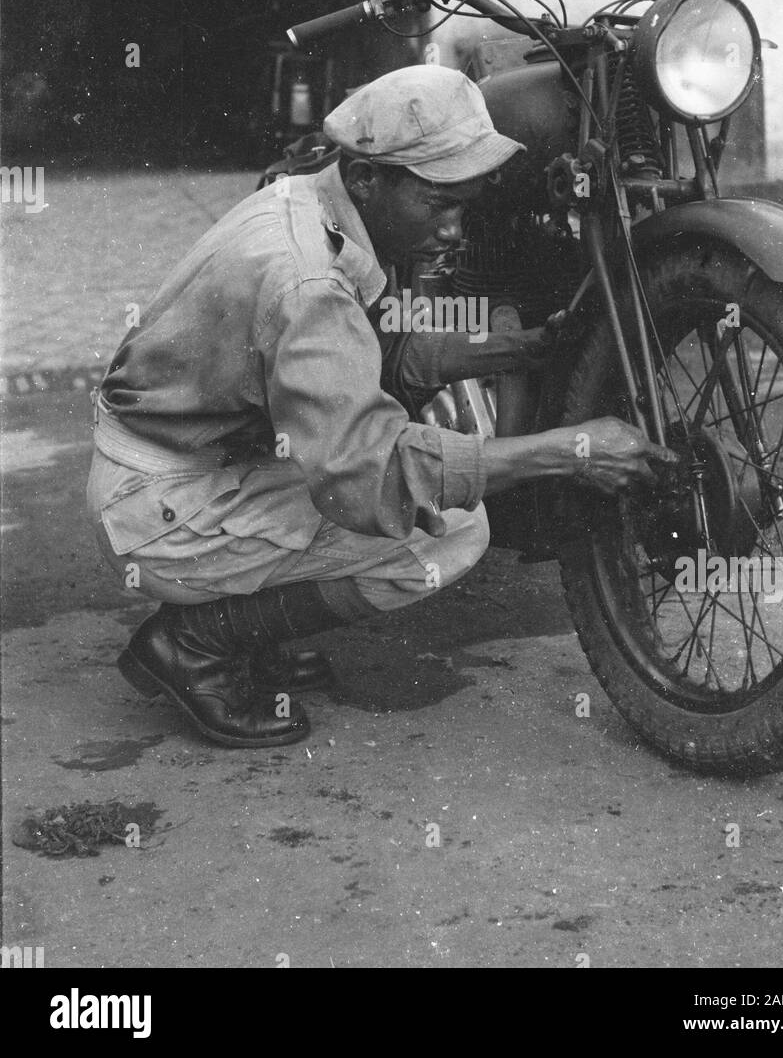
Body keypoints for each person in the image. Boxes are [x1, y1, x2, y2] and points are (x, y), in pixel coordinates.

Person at [87, 64, 672, 749]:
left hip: (205, 458)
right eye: (440, 204)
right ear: (369, 178)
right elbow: (371, 473)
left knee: (413, 482)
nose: (455, 230)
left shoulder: (318, 201)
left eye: (464, 205)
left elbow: (383, 364)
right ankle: (196, 642)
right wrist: (567, 451)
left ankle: (247, 616)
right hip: (159, 506)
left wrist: (520, 349)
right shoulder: (308, 279)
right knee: (450, 532)